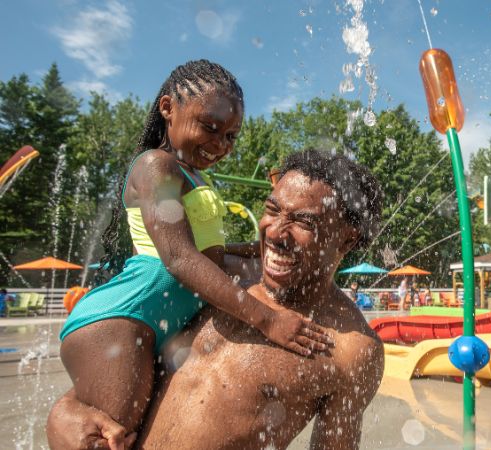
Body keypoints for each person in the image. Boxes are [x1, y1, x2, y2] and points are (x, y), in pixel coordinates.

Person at [51, 61, 331, 445]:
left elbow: (209, 252)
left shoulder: (196, 176)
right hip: (123, 319)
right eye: (210, 127)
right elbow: (180, 257)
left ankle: (67, 411)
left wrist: (271, 248)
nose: (220, 144)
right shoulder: (156, 166)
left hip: (150, 322)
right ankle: (62, 415)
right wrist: (268, 320)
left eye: (231, 136)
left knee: (135, 427)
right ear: (168, 107)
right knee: (118, 438)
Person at [47, 149, 385, 449]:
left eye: (303, 222)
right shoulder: (215, 280)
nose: (274, 232)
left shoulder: (351, 349)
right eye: (272, 209)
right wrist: (66, 418)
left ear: (346, 239)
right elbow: (105, 382)